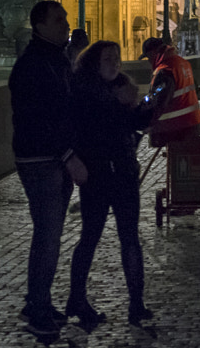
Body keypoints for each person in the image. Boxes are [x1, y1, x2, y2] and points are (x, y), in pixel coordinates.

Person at [65, 40, 154, 328]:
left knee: (130, 237)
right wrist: (121, 101)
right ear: (94, 62)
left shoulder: (122, 88)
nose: (115, 63)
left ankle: (136, 303)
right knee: (91, 235)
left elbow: (132, 124)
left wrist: (148, 107)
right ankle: (76, 299)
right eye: (108, 58)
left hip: (124, 172)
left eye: (117, 58)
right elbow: (92, 126)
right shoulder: (85, 91)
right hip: (98, 174)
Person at [10, 0, 82, 335]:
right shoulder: (35, 64)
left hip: (50, 157)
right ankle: (37, 307)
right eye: (59, 20)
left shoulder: (53, 58)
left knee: (49, 235)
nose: (66, 24)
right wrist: (68, 155)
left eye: (65, 19)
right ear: (40, 26)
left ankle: (39, 300)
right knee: (47, 236)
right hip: (41, 159)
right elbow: (42, 118)